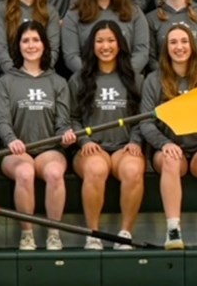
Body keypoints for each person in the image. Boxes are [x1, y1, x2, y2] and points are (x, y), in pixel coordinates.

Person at [140, 24, 197, 250]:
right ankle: (173, 230)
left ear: (192, 47)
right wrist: (165, 144)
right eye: (173, 42)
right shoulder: (154, 80)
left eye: (184, 42)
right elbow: (145, 121)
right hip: (170, 150)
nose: (179, 47)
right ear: (166, 48)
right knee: (170, 160)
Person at [0, 21, 77, 251]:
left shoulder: (57, 81)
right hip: (16, 152)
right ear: (18, 46)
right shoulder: (6, 81)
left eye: (35, 40)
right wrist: (11, 139)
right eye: (25, 40)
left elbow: (62, 122)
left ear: (44, 45)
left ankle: (53, 233)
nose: (31, 45)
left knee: (53, 173)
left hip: (49, 150)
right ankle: (27, 234)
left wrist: (65, 135)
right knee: (25, 172)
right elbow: (1, 120)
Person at [69, 21, 145, 250]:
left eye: (111, 40)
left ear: (120, 44)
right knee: (95, 169)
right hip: (92, 148)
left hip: (125, 147)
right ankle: (93, 234)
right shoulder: (79, 79)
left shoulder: (135, 79)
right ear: (92, 45)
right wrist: (84, 140)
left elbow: (145, 117)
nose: (106, 46)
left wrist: (135, 141)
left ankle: (124, 234)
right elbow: (71, 118)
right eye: (100, 41)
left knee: (133, 170)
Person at [62, 0, 149, 74]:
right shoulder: (74, 14)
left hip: (126, 80)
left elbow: (141, 52)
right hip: (88, 81)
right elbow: (71, 56)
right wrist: (93, 76)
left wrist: (123, 75)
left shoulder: (134, 12)